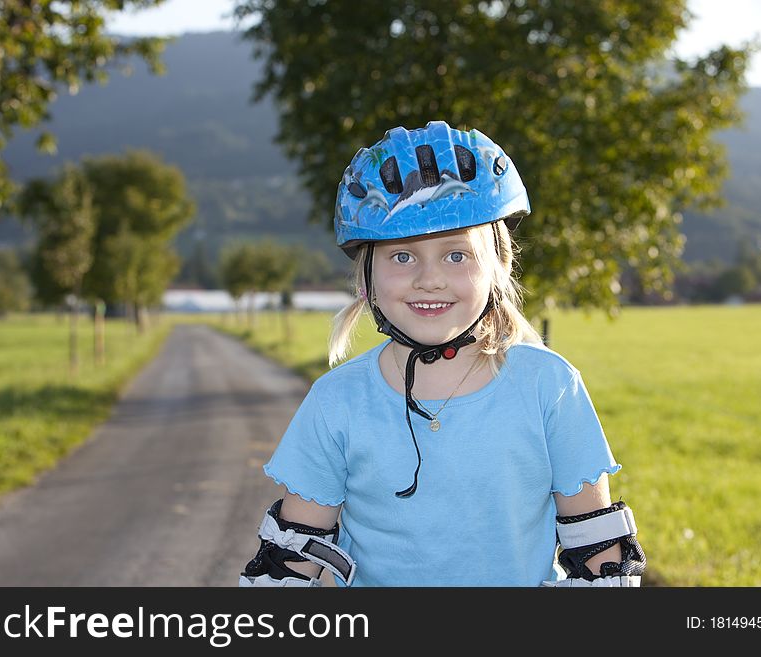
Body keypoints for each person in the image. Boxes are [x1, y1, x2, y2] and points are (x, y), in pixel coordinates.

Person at [239, 121, 646, 587]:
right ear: (366, 277)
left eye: (456, 255)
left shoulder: (548, 386)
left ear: (498, 265)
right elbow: (294, 556)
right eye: (402, 256)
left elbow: (597, 550)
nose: (429, 279)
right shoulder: (337, 401)